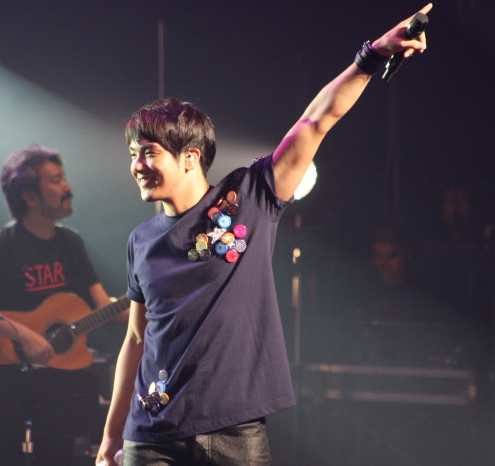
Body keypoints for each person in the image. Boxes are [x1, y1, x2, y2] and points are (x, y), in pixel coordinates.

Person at [97, 4, 432, 466]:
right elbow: (135, 341)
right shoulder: (141, 240)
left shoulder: (249, 196)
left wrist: (372, 56)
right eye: (133, 154)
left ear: (190, 157)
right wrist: (111, 436)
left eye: (148, 152)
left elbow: (315, 121)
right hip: (151, 437)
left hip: (232, 432)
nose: (137, 165)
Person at [0, 144, 122, 466]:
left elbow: (105, 306)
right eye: (56, 180)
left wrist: (150, 303)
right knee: (4, 457)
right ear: (30, 197)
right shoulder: (6, 243)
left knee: (57, 456)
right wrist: (24, 334)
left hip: (59, 377)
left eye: (64, 178)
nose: (67, 187)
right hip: (7, 375)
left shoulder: (71, 243)